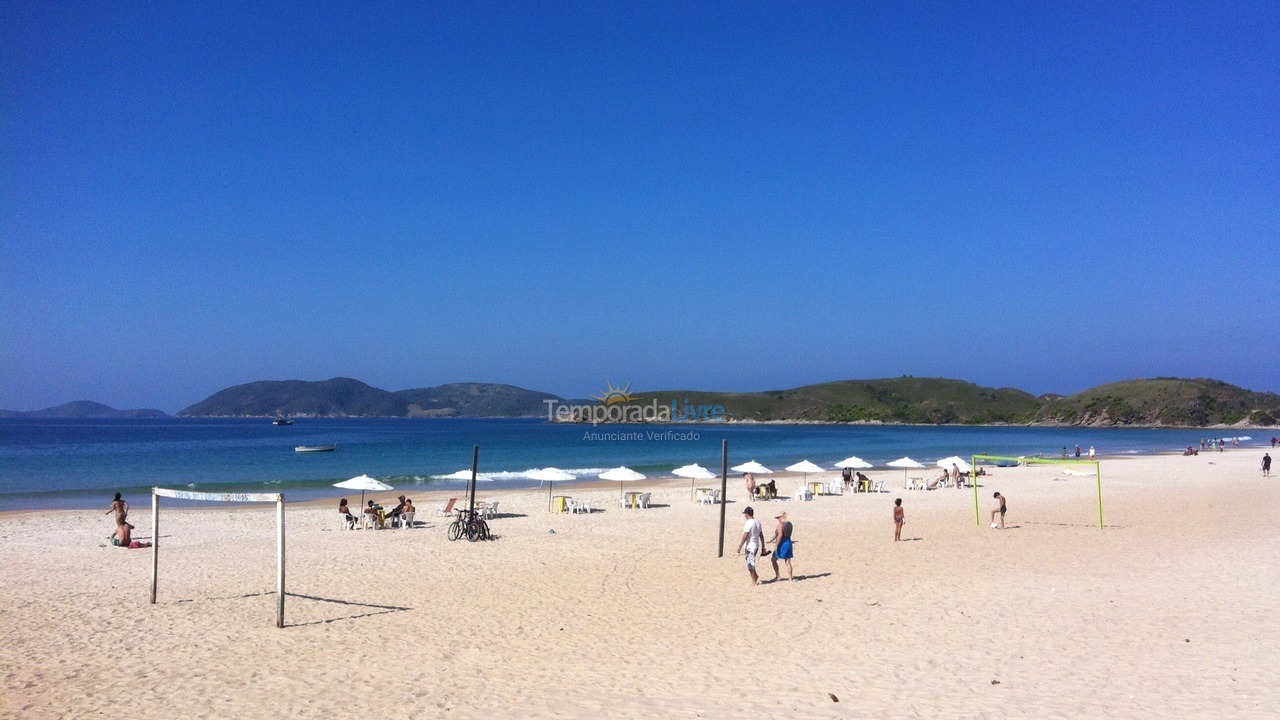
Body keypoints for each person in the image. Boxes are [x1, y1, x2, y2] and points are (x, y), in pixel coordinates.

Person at [736, 506, 766, 586]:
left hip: (750, 546)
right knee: (750, 561)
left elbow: (745, 535)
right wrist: (763, 546)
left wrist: (740, 546)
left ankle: (754, 581)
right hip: (756, 545)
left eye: (745, 514)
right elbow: (761, 535)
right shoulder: (758, 522)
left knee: (750, 563)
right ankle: (755, 576)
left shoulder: (749, 522)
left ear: (747, 514)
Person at [769, 512, 794, 582]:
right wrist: (771, 540)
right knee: (788, 562)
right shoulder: (789, 524)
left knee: (773, 559)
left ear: (781, 517)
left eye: (778, 518)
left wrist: (776, 545)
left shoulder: (780, 525)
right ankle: (790, 578)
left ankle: (778, 576)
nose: (778, 519)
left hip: (782, 543)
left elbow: (779, 536)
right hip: (788, 542)